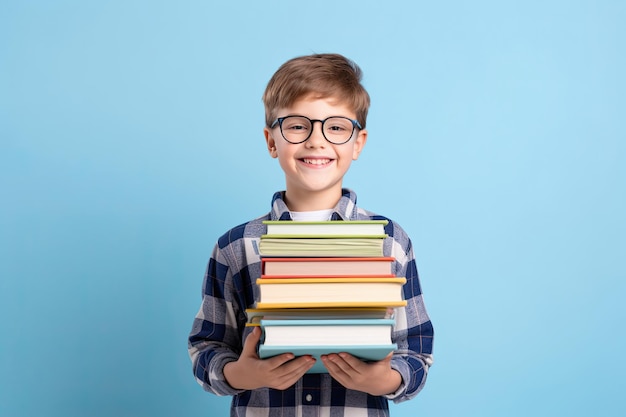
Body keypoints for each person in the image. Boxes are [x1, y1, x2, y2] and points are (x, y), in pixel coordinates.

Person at [188, 53, 434, 416]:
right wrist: (241, 374)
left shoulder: (390, 240)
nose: (316, 141)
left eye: (335, 127)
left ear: (358, 142)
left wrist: (383, 381)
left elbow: (416, 349)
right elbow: (207, 347)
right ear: (272, 141)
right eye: (298, 126)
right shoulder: (235, 247)